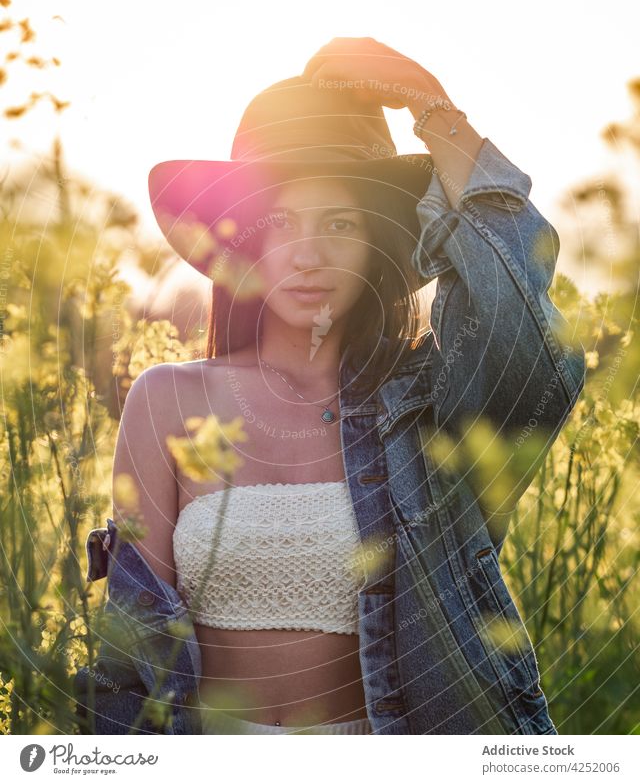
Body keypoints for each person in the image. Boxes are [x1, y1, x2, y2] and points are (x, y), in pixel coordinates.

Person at [78, 37, 585, 735]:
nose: (308, 254)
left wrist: (433, 108)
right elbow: (132, 650)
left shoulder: (426, 403)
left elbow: (524, 342)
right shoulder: (165, 399)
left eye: (340, 223)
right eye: (282, 221)